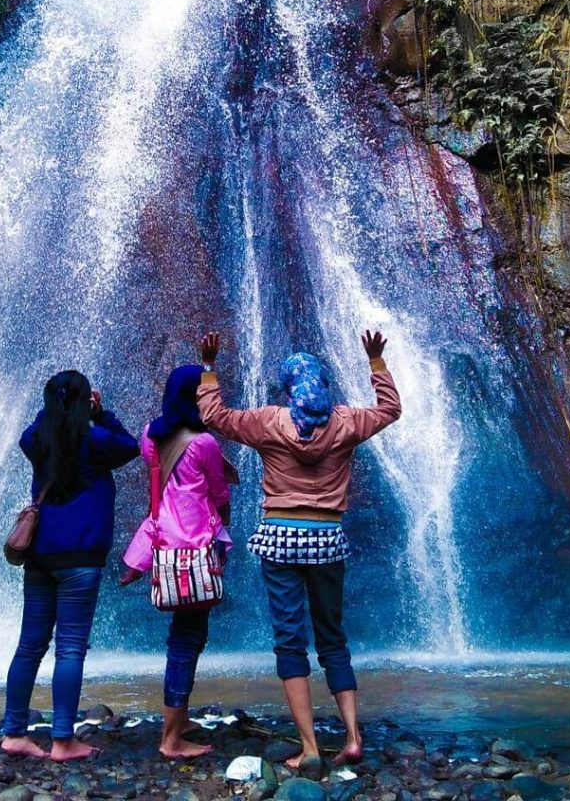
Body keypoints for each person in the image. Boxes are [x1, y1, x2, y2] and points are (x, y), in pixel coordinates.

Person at [196, 329, 401, 768]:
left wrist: (210, 367)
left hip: (281, 538)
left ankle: (309, 746)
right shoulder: (345, 422)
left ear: (289, 387)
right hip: (327, 539)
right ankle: (351, 735)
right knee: (333, 639)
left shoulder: (270, 422)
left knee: (291, 643)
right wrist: (376, 362)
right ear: (323, 384)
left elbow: (214, 416)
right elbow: (390, 409)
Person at [1, 370, 139, 762]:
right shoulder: (95, 440)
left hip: (40, 558)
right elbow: (130, 446)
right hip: (80, 559)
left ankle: (14, 733)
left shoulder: (37, 439)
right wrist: (102, 413)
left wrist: (52, 410)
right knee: (70, 649)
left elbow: (32, 431)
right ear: (84, 403)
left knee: (29, 646)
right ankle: (62, 740)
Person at [120, 364, 238, 759]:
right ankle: (171, 738)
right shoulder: (203, 443)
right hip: (195, 548)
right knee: (187, 640)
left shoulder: (151, 437)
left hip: (165, 547)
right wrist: (225, 518)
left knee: (186, 634)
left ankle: (180, 716)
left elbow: (160, 489)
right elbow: (219, 493)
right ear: (194, 397)